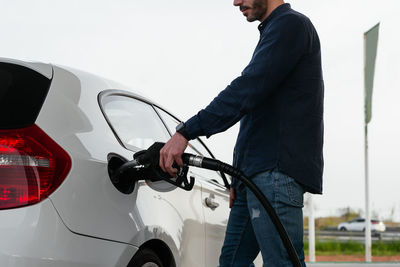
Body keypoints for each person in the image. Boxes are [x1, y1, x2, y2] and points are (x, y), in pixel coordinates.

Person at [159, 0, 324, 266]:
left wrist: (186, 132)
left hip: (275, 174)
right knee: (232, 263)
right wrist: (240, 176)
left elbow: (246, 90)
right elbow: (255, 112)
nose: (235, 2)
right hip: (254, 177)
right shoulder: (275, 31)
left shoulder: (290, 25)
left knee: (281, 262)